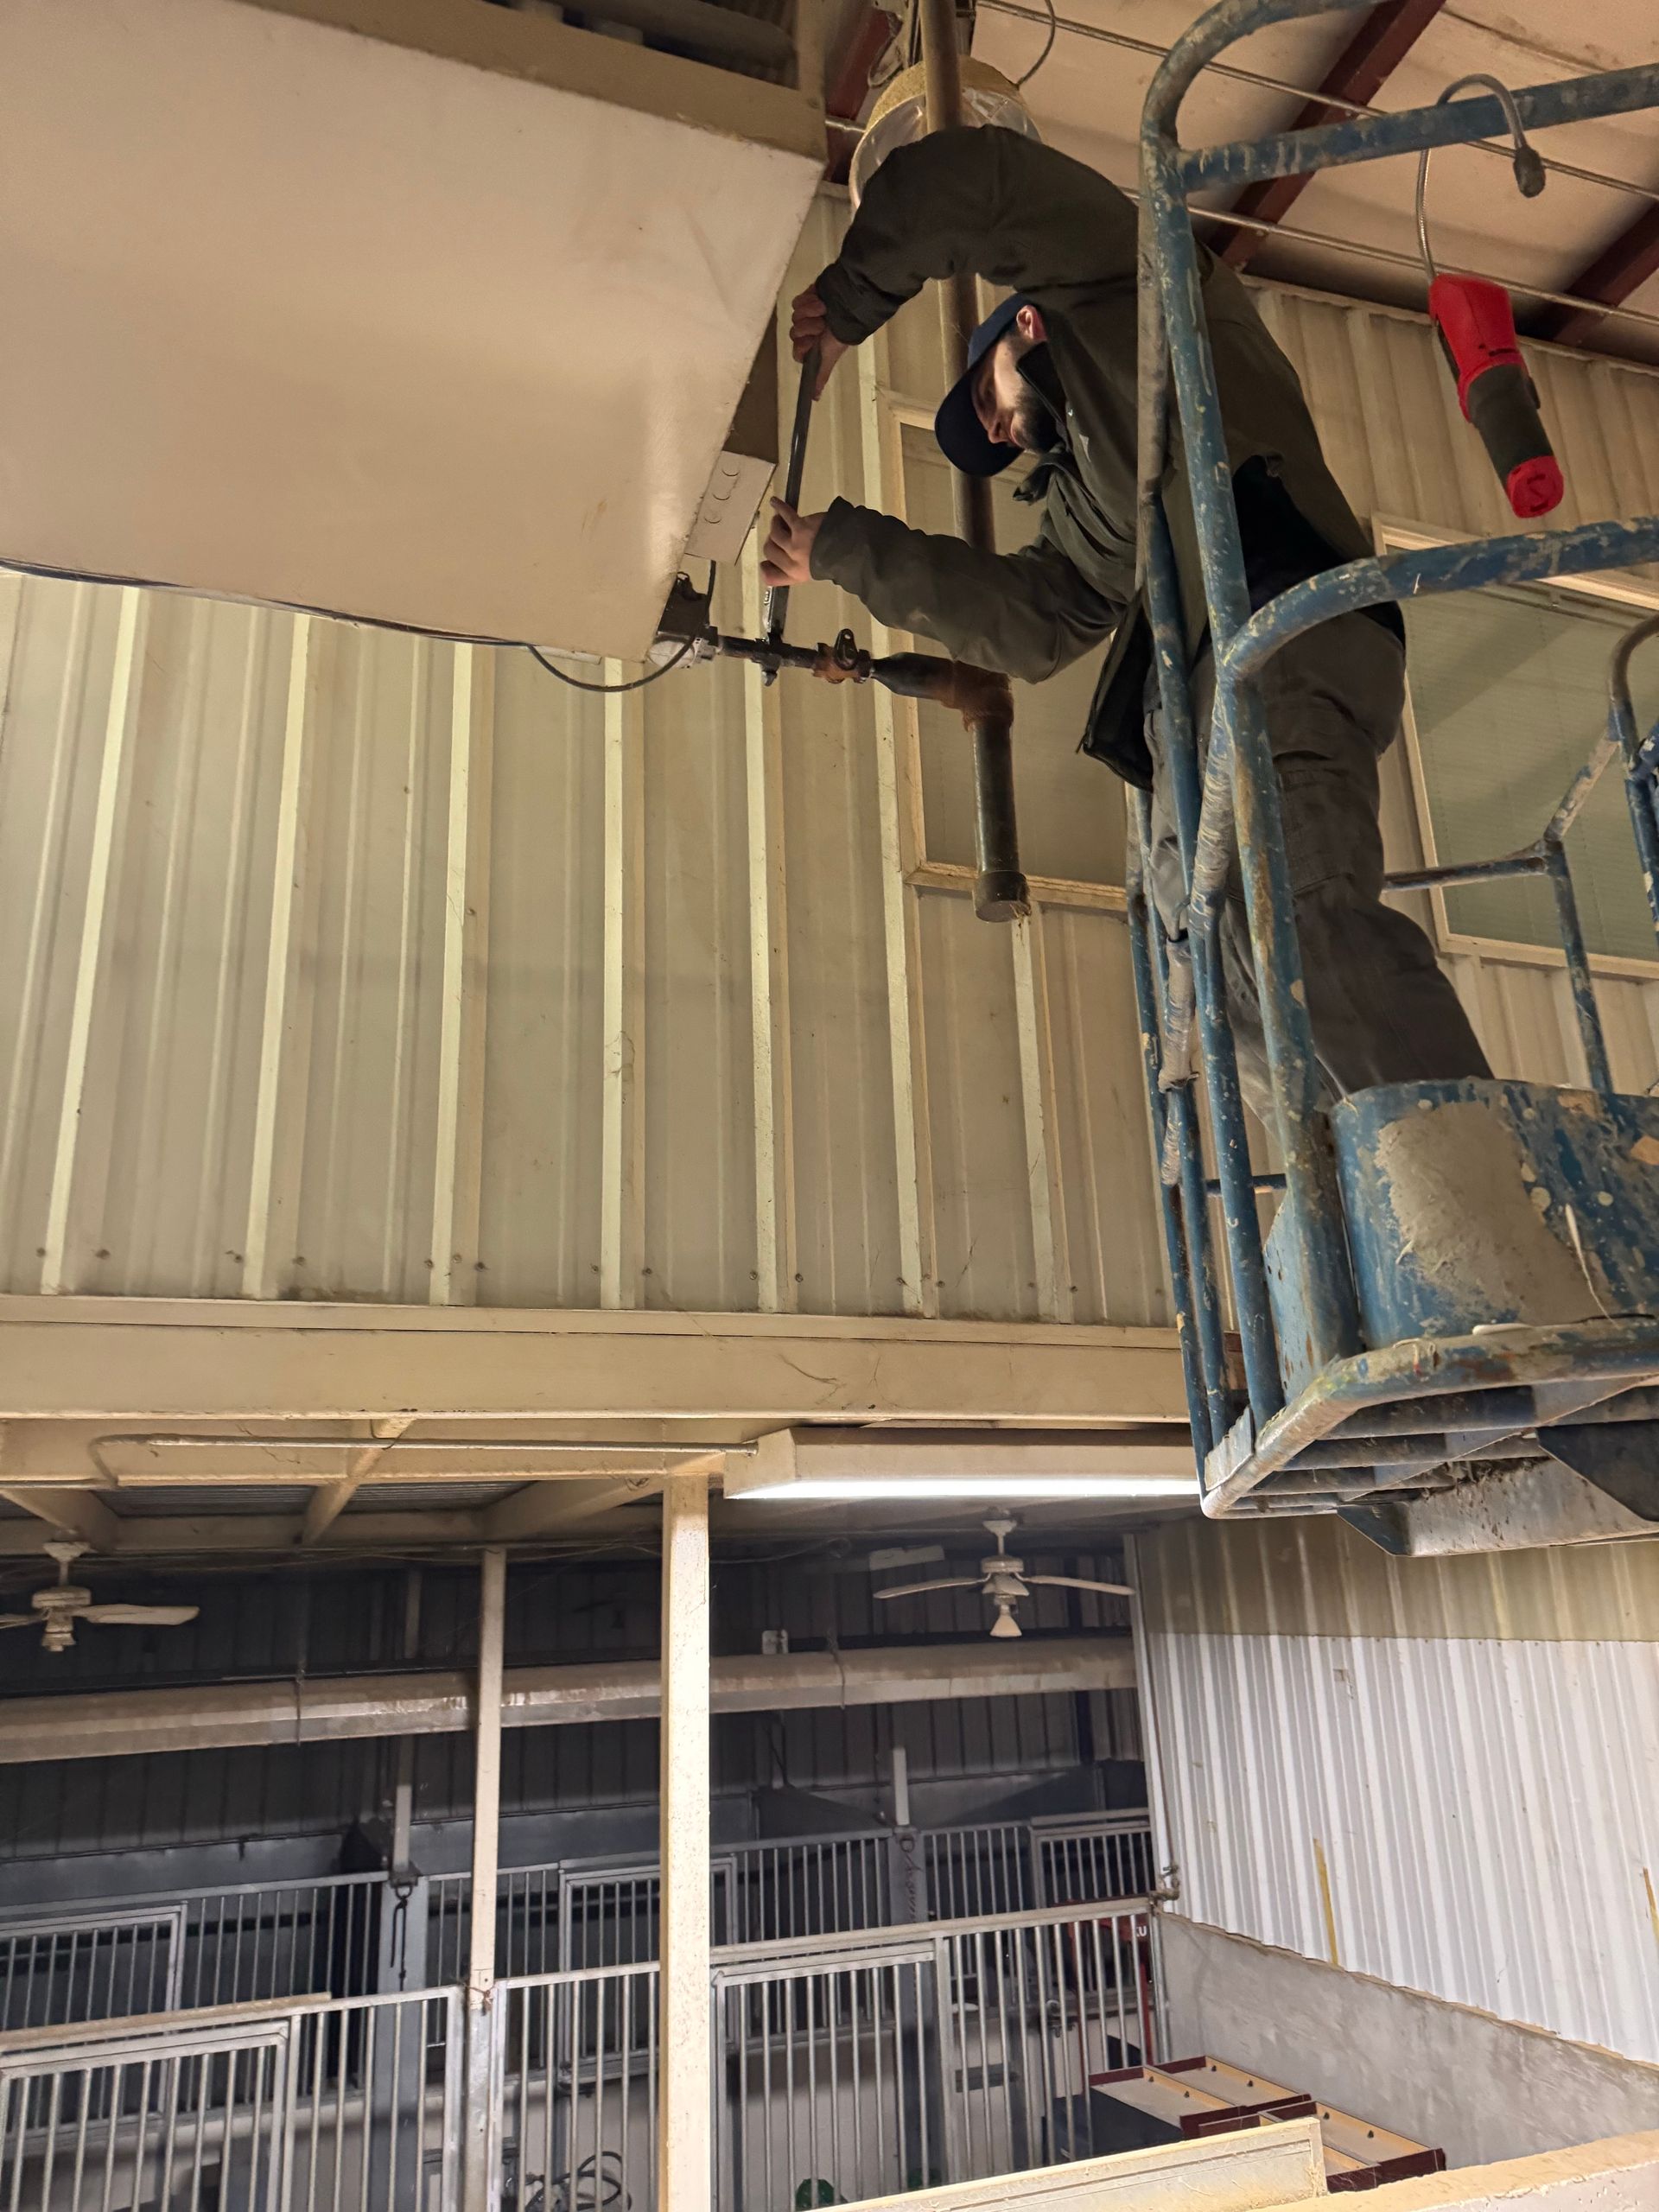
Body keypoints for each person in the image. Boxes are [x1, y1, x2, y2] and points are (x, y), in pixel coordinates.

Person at [760, 125, 1490, 1122]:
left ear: (1024, 323)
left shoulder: (1128, 292)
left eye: (986, 399)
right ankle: (1366, 1206)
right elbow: (1033, 623)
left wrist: (849, 303)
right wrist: (838, 550)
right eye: (993, 437)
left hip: (1278, 622)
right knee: (1236, 998)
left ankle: (1472, 1181)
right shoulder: (1100, 508)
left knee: (1301, 928)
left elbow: (976, 183)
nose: (1001, 431)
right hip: (1200, 699)